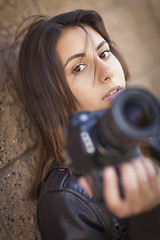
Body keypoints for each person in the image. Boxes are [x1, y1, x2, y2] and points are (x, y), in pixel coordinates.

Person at [16, 9, 160, 240]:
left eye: (104, 53)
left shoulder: (149, 130)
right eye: (79, 68)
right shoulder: (67, 200)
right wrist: (147, 216)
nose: (107, 72)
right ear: (53, 96)